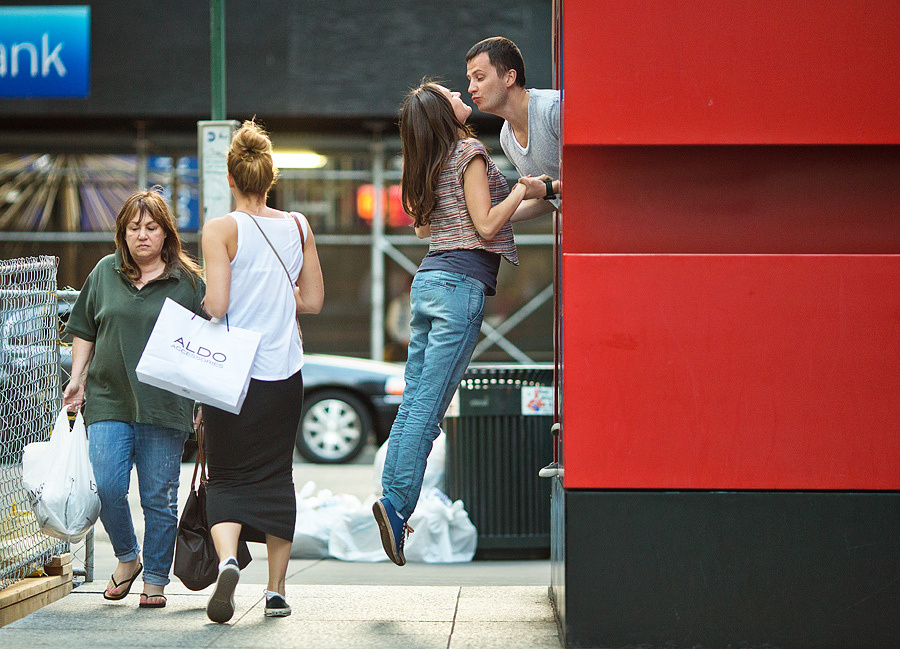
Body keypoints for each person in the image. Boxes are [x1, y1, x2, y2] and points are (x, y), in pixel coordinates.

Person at [373, 81, 546, 566]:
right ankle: (394, 507)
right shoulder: (468, 149)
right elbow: (488, 226)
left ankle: (392, 505)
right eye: (449, 91)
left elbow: (432, 227)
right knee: (428, 411)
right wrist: (518, 189)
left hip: (428, 283)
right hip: (457, 289)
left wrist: (545, 195)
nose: (458, 90)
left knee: (414, 403)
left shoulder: (430, 159)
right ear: (443, 111)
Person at [200, 120, 324, 623]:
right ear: (269, 179)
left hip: (231, 374)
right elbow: (312, 301)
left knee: (225, 476)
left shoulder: (220, 228)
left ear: (231, 179)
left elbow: (218, 305)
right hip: (283, 374)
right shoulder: (297, 226)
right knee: (278, 476)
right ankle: (275, 591)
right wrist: (282, 296)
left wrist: (208, 298)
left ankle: (229, 560)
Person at [62, 188, 205, 609]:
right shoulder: (106, 272)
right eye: (133, 228)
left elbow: (208, 344)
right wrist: (77, 379)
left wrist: (205, 402)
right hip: (109, 398)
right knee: (106, 485)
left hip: (166, 406)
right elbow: (85, 328)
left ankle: (156, 580)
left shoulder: (189, 282)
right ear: (122, 234)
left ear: (166, 234)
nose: (142, 235)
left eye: (151, 227)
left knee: (159, 497)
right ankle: (128, 558)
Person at [466, 36, 561, 221]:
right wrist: (486, 219)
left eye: (480, 78)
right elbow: (550, 200)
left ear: (509, 77)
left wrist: (549, 189)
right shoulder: (506, 137)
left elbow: (599, 176)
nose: (471, 88)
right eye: (470, 79)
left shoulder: (553, 109)